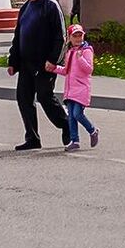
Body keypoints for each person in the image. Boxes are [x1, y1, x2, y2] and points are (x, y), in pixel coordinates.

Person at [6, 0, 69, 150]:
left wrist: (53, 60)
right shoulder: (25, 7)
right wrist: (13, 61)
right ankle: (32, 138)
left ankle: (66, 125)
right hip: (26, 64)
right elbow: (18, 36)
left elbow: (60, 37)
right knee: (24, 99)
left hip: (44, 64)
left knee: (45, 97)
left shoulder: (50, 6)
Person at [46, 20, 98, 152]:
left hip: (81, 89)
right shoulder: (69, 52)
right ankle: (74, 140)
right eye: (75, 36)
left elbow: (89, 69)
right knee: (71, 116)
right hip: (70, 90)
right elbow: (66, 71)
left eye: (80, 35)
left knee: (77, 114)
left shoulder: (86, 50)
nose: (78, 39)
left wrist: (80, 58)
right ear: (69, 38)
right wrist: (54, 68)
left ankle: (92, 130)